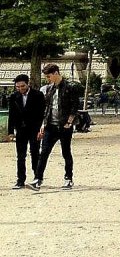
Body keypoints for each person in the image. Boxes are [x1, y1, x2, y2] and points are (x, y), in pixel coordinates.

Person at [34, 62, 79, 190]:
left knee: (66, 152)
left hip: (64, 125)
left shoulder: (70, 87)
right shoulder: (49, 88)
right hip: (50, 125)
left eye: (49, 76)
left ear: (56, 73)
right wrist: (43, 124)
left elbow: (75, 107)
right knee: (44, 153)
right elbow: (47, 108)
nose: (48, 79)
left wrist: (69, 122)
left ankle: (68, 178)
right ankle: (38, 178)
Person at [8, 74, 44, 188]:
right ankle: (20, 180)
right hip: (21, 130)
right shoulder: (13, 97)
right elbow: (12, 114)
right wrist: (10, 131)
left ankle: (37, 178)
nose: (20, 89)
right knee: (20, 156)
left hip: (34, 129)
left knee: (35, 153)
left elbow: (42, 113)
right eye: (17, 87)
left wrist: (41, 129)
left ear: (28, 84)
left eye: (22, 86)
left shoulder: (38, 95)